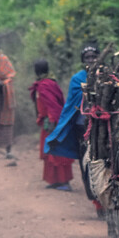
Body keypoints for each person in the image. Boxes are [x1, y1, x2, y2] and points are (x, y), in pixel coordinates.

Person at [44, 43, 102, 211]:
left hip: (103, 127)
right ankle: (96, 201)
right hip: (82, 128)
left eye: (93, 57)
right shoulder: (77, 79)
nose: (91, 60)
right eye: (87, 58)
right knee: (87, 163)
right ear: (82, 60)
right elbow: (71, 105)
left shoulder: (106, 76)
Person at [29, 59, 74, 190]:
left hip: (52, 122)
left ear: (37, 71)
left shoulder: (45, 85)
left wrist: (54, 122)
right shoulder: (48, 83)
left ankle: (65, 182)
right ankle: (56, 181)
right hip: (49, 122)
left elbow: (53, 105)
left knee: (56, 151)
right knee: (50, 151)